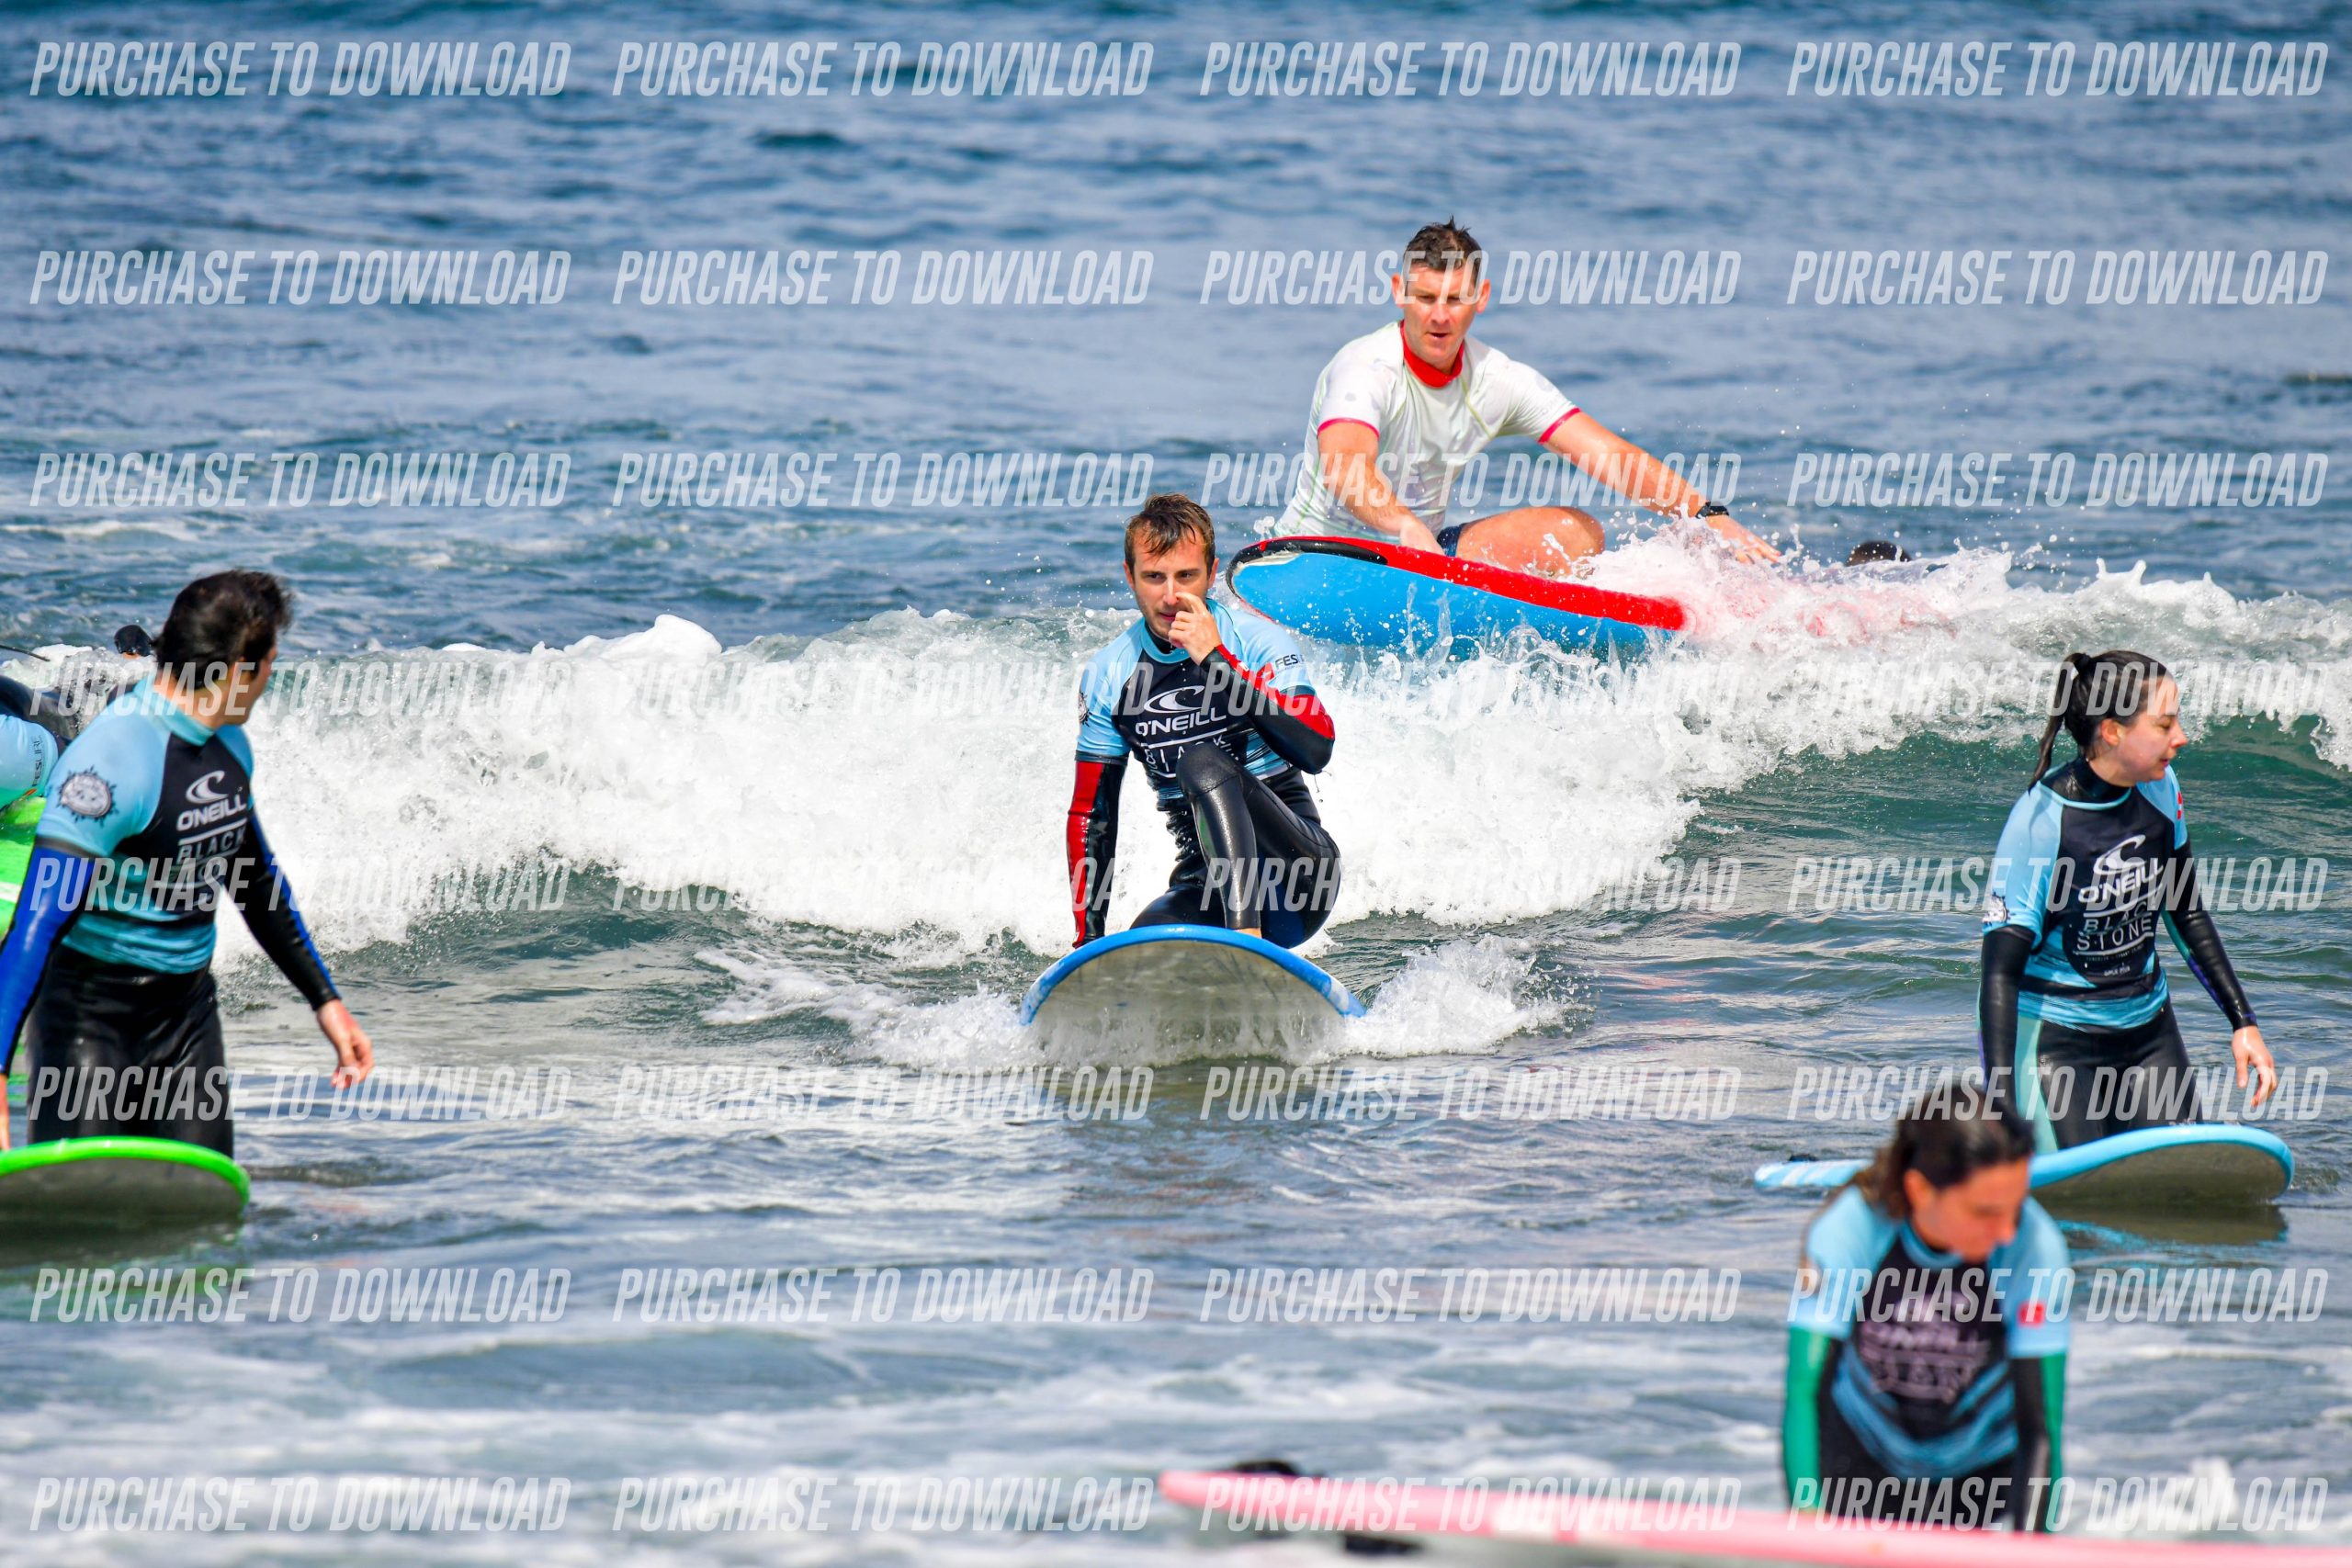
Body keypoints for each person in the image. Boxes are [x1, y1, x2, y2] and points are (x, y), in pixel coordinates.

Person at [0, 573, 372, 1154]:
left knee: (204, 1201)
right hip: (87, 1024)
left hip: (187, 1021)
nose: (269, 679)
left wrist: (326, 1001)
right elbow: (38, 921)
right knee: (88, 1203)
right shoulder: (112, 760)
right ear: (237, 671)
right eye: (269, 664)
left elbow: (255, 882)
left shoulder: (228, 746)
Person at [1278, 218, 1777, 575]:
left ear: (1481, 297)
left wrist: (1706, 515)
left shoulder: (1499, 378)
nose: (1439, 316)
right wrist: (1405, 526)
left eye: (1455, 299)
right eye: (1426, 298)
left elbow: (1607, 454)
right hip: (1314, 560)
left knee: (1577, 533)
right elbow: (1345, 467)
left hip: (1420, 564)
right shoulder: (1365, 366)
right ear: (1400, 291)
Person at [1980, 650, 2276, 1151]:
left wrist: (2243, 1023)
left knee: (2179, 1186)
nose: (2181, 737)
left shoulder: (2160, 788)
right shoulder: (2040, 822)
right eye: (2164, 724)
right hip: (2055, 1044)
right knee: (2080, 1195)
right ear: (2113, 731)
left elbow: (2186, 911)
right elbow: (1999, 975)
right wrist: (2001, 1105)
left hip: (2148, 1036)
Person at [1785, 1091, 2069, 1532]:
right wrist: (1808, 1523)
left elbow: (2041, 1425)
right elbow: (1805, 1393)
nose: (2006, 1231)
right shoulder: (1851, 1228)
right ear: (1920, 1190)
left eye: (2015, 1207)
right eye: (1985, 1211)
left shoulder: (2034, 1244)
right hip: (1861, 1470)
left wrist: (2033, 1549)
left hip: (1983, 1485)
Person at [1068, 494, 1341, 949]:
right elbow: (1093, 816)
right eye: (1154, 577)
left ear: (1212, 574)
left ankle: (1246, 946)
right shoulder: (1110, 675)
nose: (1170, 597)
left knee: (1202, 762)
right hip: (1205, 885)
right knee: (1143, 947)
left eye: (1186, 576)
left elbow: (1317, 749)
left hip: (1299, 880)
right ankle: (1225, 950)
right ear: (1130, 576)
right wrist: (1086, 942)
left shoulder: (1257, 642)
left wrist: (1216, 660)